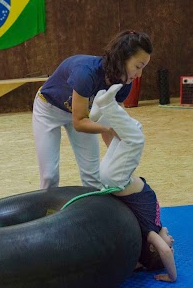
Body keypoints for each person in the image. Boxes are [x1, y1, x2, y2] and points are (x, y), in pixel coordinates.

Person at [32, 30, 153, 189]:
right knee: (49, 175)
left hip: (84, 116)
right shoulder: (86, 73)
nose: (139, 74)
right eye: (138, 66)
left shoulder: (123, 84)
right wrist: (109, 129)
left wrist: (119, 160)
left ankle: (95, 213)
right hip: (49, 110)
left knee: (93, 175)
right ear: (122, 59)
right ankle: (49, 212)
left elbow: (111, 124)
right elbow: (80, 123)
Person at [90, 82, 177, 282]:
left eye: (170, 245)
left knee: (136, 138)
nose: (171, 242)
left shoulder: (150, 233)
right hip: (113, 176)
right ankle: (100, 113)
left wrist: (172, 276)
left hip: (116, 179)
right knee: (131, 131)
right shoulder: (154, 224)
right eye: (171, 245)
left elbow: (163, 252)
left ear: (153, 247)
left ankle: (107, 106)